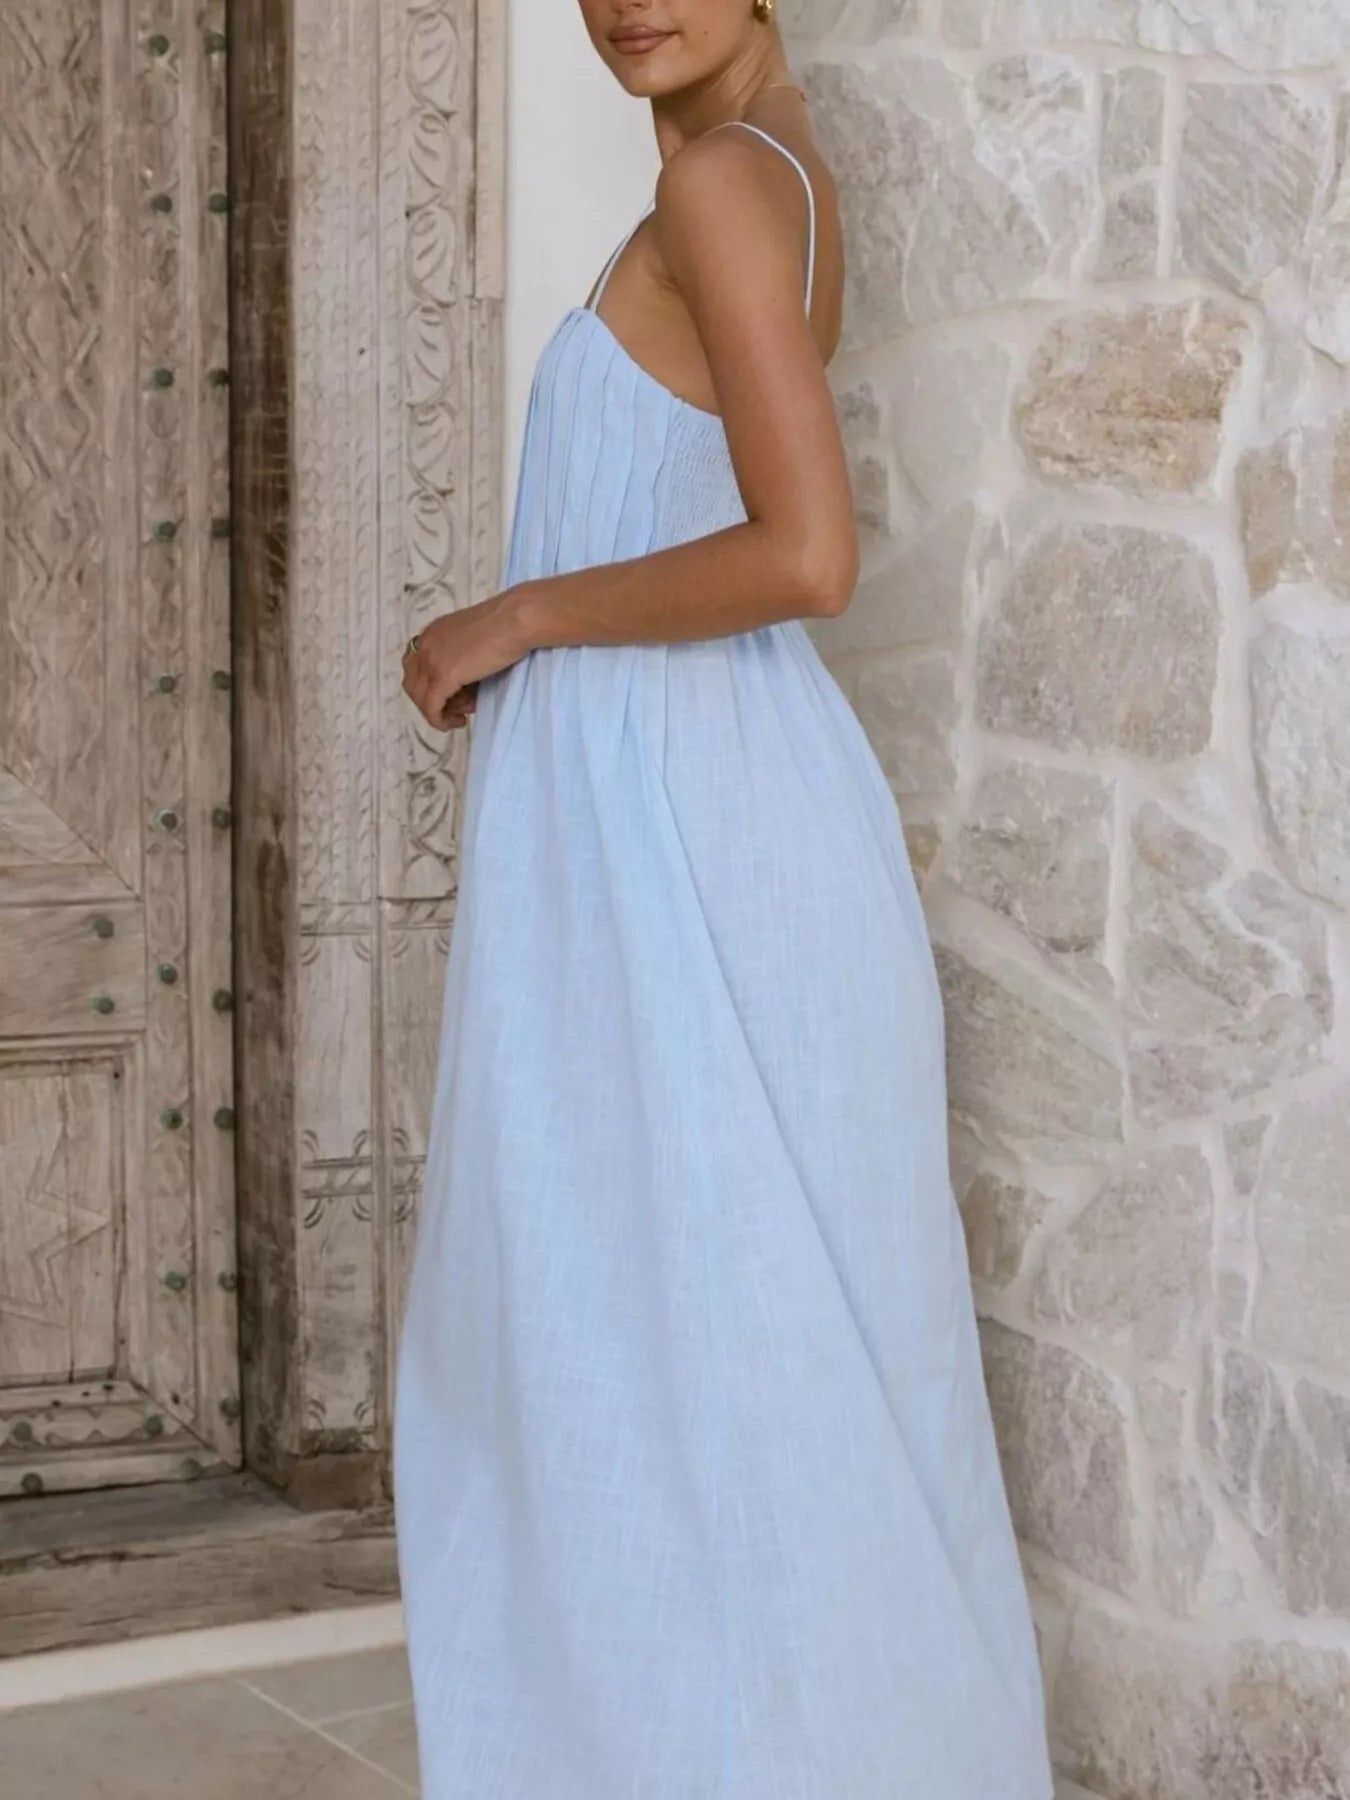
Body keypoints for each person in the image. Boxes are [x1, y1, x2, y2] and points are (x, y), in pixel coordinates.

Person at [393, 3, 1056, 1795]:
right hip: (692, 816)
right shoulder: (768, 171)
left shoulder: (721, 191)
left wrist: (512, 613)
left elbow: (806, 550)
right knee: (720, 1331)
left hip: (689, 831)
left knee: (688, 1330)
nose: (622, 0)